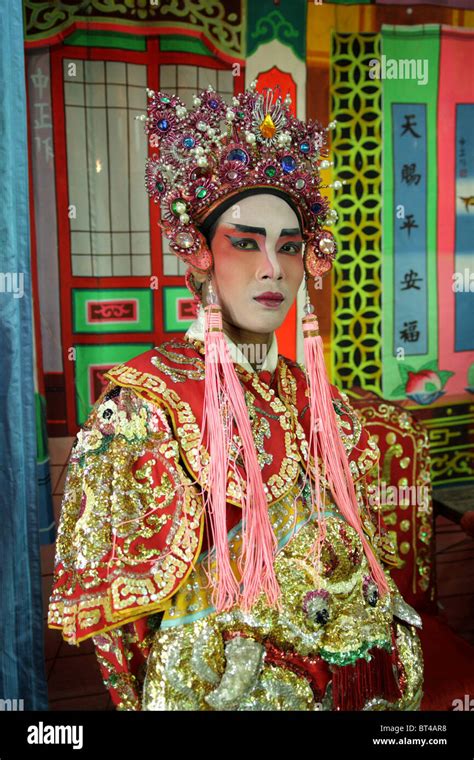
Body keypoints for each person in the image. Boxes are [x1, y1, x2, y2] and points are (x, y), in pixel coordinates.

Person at [47, 83, 424, 711]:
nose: (272, 268)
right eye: (245, 242)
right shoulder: (147, 405)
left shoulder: (310, 396)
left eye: (290, 245)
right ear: (199, 255)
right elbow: (126, 637)